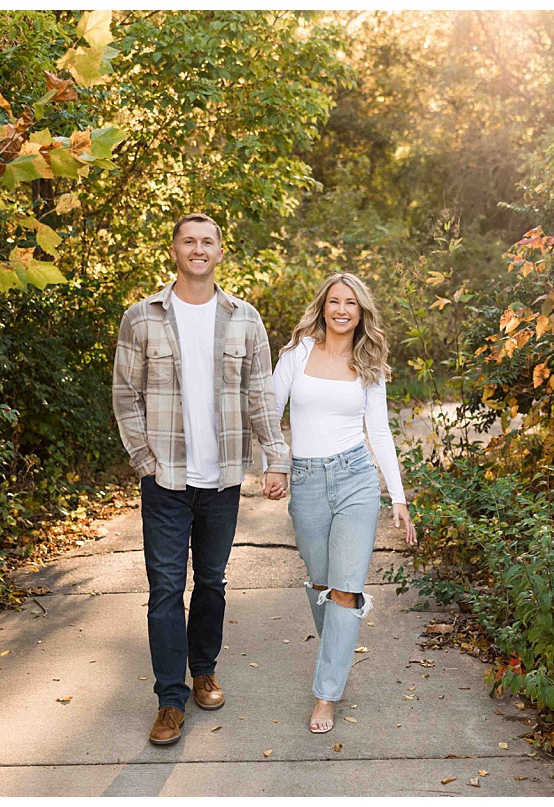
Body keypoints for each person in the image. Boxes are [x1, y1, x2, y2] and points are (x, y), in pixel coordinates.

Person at [112, 213, 291, 746]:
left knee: (211, 582)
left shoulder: (244, 318)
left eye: (206, 241)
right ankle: (170, 700)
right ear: (173, 249)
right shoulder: (140, 318)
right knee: (166, 588)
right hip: (164, 478)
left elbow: (260, 395)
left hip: (223, 480)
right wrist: (145, 462)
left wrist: (274, 458)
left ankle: (204, 669)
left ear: (220, 251)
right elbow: (126, 397)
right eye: (188, 240)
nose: (197, 248)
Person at [266, 272, 417, 734]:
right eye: (335, 301)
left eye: (351, 303)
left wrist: (397, 496)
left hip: (355, 479)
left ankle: (326, 694)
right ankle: (336, 645)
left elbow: (381, 432)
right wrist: (274, 465)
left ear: (361, 311)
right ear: (323, 306)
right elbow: (270, 412)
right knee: (321, 584)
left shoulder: (369, 363)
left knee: (347, 588)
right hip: (308, 479)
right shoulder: (296, 354)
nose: (342, 310)